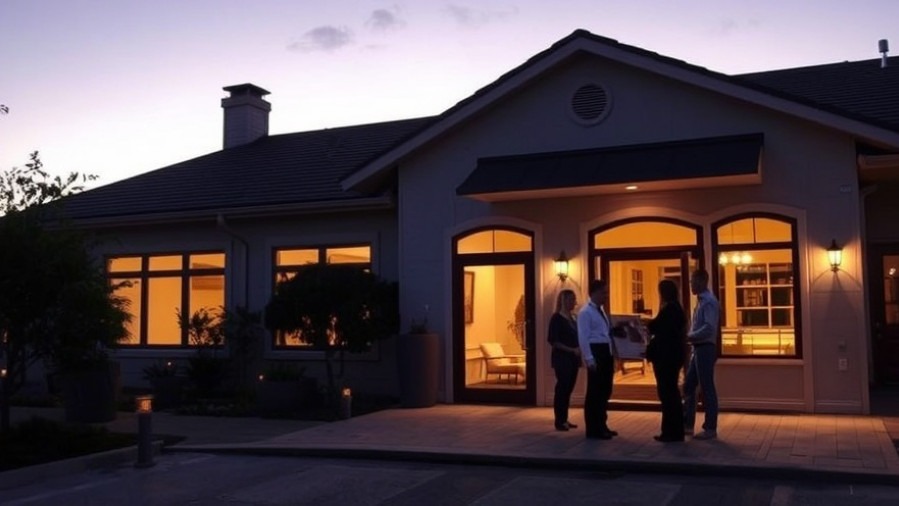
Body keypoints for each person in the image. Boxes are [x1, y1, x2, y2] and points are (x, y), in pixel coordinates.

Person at [577, 279, 619, 440]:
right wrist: (589, 358)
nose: (606, 296)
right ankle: (593, 428)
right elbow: (583, 337)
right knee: (595, 392)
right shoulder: (585, 312)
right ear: (594, 293)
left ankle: (602, 424)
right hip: (596, 352)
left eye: (606, 292)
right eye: (603, 292)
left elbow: (605, 334)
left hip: (605, 352)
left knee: (605, 390)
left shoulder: (601, 311)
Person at [646, 279, 687, 443]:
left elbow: (655, 327)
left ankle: (671, 432)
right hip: (673, 357)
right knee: (672, 393)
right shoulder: (677, 309)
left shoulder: (669, 310)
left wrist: (647, 324)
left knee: (667, 394)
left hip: (665, 358)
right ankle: (674, 431)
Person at [682, 268, 721, 440]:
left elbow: (709, 328)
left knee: (706, 387)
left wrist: (689, 336)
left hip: (705, 348)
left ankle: (710, 428)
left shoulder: (709, 302)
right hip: (698, 348)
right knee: (689, 385)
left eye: (693, 281)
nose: (691, 284)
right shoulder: (700, 301)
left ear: (702, 281)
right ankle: (687, 424)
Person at [548, 289, 581, 431]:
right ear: (563, 301)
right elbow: (553, 341)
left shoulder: (573, 318)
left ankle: (565, 419)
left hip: (573, 358)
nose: (574, 302)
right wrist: (571, 349)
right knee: (562, 388)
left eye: (574, 299)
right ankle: (559, 420)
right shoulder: (556, 318)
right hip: (562, 358)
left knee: (569, 389)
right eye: (571, 299)